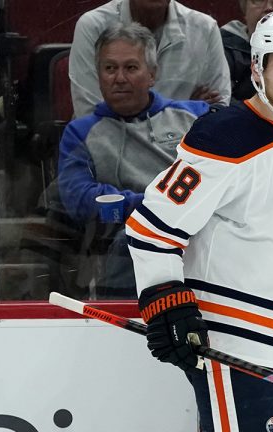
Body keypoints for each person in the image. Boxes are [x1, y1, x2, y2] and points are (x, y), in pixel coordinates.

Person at [125, 12, 273, 432]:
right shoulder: (226, 136)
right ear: (258, 69)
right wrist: (166, 299)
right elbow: (150, 227)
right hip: (233, 345)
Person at [57, 22, 210, 298]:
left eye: (130, 68)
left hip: (198, 239)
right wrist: (150, 206)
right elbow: (78, 199)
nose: (119, 78)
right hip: (125, 245)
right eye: (110, 68)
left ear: (152, 74)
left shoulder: (196, 117)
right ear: (99, 74)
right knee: (132, 238)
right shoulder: (79, 132)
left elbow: (223, 179)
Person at [69, 0, 230, 118]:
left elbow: (217, 111)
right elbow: (90, 115)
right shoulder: (92, 26)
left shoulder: (204, 28)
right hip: (107, 152)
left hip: (183, 156)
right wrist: (188, 111)